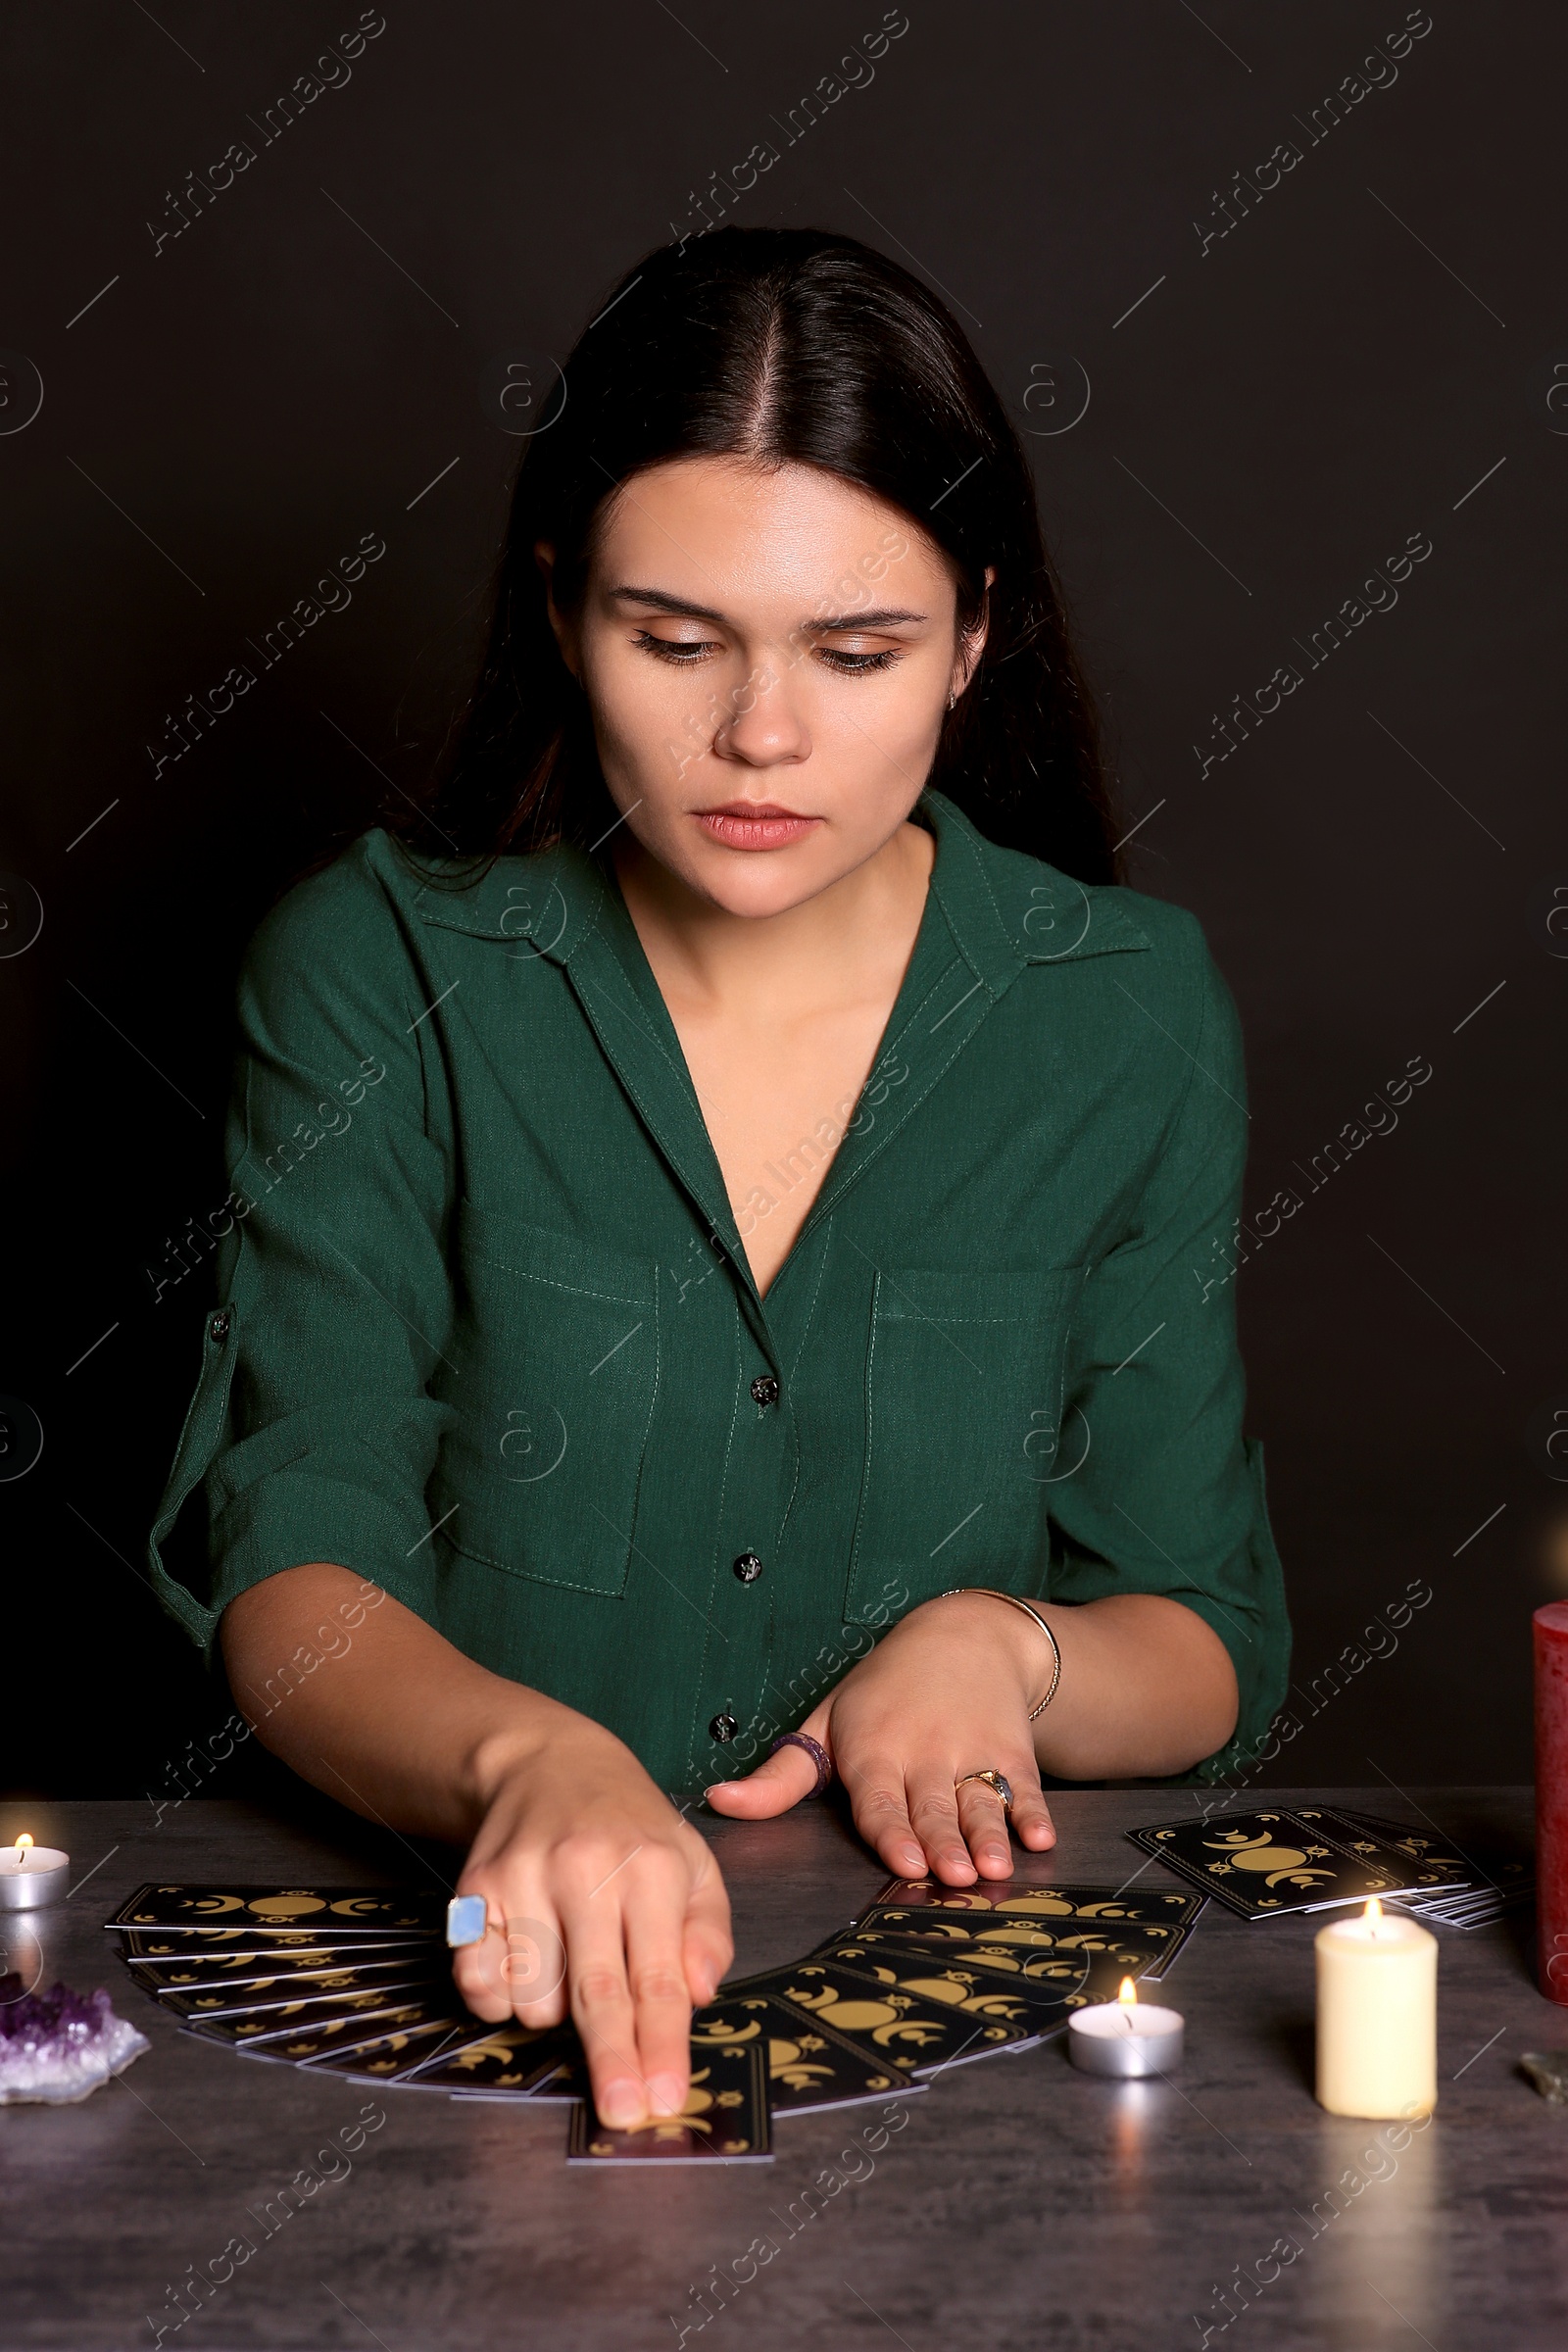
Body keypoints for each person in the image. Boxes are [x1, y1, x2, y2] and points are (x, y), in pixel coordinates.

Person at [147, 226, 1290, 2132]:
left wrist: (1002, 1651)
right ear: (557, 611)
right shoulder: (377, 969)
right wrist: (524, 1759)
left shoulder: (1124, 1010)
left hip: (969, 2054)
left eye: (856, 652)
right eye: (672, 640)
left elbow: (1196, 1633)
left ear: (976, 631)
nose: (759, 735)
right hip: (449, 2028)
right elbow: (292, 1561)